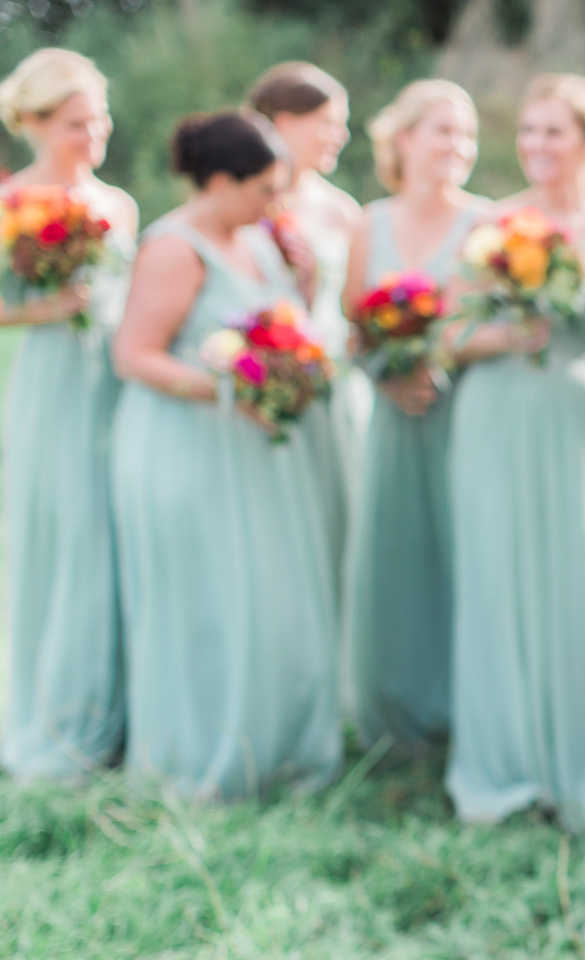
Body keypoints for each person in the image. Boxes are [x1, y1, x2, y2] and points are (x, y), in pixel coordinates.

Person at [443, 74, 585, 826]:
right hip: (498, 416)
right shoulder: (492, 226)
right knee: (502, 583)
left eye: (553, 132)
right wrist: (506, 335)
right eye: (528, 132)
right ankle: (509, 767)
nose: (536, 146)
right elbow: (448, 336)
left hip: (583, 424)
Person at [111, 111, 339, 798]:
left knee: (264, 596)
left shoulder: (261, 242)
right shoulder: (174, 249)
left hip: (251, 451)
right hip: (186, 447)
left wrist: (302, 301)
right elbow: (134, 355)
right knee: (205, 599)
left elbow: (280, 330)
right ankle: (198, 751)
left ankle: (273, 741)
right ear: (218, 181)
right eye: (265, 188)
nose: (275, 203)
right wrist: (225, 388)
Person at [0, 48, 137, 782]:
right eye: (78, 122)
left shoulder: (118, 204)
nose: (96, 132)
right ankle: (58, 718)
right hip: (52, 384)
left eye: (101, 118)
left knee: (119, 540)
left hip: (118, 380)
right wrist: (44, 309)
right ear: (35, 122)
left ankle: (118, 710)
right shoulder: (10, 202)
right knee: (68, 538)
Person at [344, 80, 487, 751]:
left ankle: (468, 704)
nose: (457, 146)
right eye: (443, 131)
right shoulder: (367, 225)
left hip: (466, 415)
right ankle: (395, 715)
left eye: (466, 134)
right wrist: (388, 378)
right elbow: (354, 328)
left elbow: (492, 322)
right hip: (394, 416)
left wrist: (439, 368)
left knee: (467, 550)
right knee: (394, 552)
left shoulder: (486, 223)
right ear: (402, 139)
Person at [247, 62, 365, 561]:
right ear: (283, 123)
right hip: (261, 385)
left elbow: (355, 309)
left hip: (334, 384)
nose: (339, 135)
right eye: (327, 122)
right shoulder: (244, 203)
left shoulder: (344, 211)